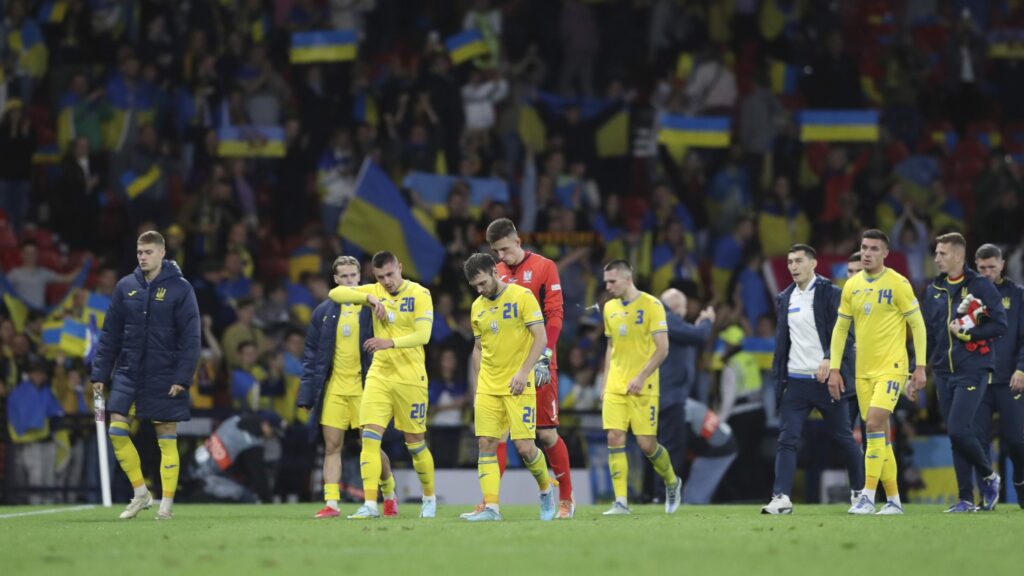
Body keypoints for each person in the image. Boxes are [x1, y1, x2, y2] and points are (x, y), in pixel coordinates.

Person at [90, 231, 201, 520]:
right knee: (116, 431)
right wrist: (100, 373)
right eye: (139, 252)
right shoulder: (125, 286)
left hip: (165, 374)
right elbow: (110, 333)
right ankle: (141, 493)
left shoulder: (181, 288)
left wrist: (182, 377)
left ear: (162, 253)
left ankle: (166, 505)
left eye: (148, 252)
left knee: (166, 439)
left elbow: (191, 338)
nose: (142, 257)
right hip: (128, 372)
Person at [324, 251, 437, 519]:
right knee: (369, 439)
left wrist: (389, 342)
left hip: (411, 377)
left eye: (390, 274)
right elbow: (335, 293)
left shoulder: (420, 294)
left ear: (400, 267)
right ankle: (370, 504)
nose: (386, 281)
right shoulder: (374, 291)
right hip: (379, 376)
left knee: (415, 444)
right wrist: (369, 298)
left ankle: (429, 498)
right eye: (380, 277)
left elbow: (424, 335)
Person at [480, 218, 576, 518]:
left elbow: (555, 315)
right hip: (504, 367)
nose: (502, 257)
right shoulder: (496, 272)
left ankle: (566, 498)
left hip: (538, 362)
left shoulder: (545, 267)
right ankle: (489, 502)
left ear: (518, 242)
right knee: (495, 436)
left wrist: (545, 355)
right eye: (496, 252)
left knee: (545, 434)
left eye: (505, 249)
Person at [830, 229, 928, 515]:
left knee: (872, 425)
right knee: (880, 437)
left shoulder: (898, 283)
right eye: (864, 247)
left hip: (892, 368)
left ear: (885, 253)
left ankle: (867, 496)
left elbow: (918, 325)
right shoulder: (851, 286)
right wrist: (834, 368)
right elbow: (840, 329)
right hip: (863, 372)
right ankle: (894, 500)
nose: (867, 253)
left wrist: (919, 366)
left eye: (874, 248)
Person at [762, 244, 864, 515]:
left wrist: (830, 359)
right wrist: (780, 379)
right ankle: (781, 498)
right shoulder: (785, 297)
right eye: (789, 262)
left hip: (826, 381)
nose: (793, 267)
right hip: (796, 381)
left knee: (844, 438)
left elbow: (845, 333)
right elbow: (783, 342)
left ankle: (860, 492)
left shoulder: (831, 293)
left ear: (813, 264)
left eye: (798, 261)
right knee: (787, 439)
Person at [297, 256, 397, 519]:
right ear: (336, 280)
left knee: (371, 446)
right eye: (344, 276)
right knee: (332, 447)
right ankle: (332, 503)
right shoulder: (323, 312)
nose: (350, 280)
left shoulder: (373, 307)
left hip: (366, 388)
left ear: (360, 277)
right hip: (335, 389)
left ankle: (389, 494)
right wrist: (307, 395)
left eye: (354, 275)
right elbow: (312, 355)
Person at [461, 253, 556, 521]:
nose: (480, 290)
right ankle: (491, 508)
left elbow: (541, 338)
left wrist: (524, 372)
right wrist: (478, 383)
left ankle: (546, 489)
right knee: (486, 443)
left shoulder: (522, 296)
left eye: (482, 283)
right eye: (475, 286)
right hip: (488, 386)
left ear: (494, 271)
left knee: (525, 448)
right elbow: (478, 347)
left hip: (518, 385)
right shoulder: (477, 307)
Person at [924, 233, 1006, 512]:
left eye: (943, 253)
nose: (937, 258)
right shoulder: (933, 290)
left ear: (958, 256)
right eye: (936, 253)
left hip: (973, 367)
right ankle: (966, 499)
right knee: (955, 434)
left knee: (959, 429)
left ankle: (990, 477)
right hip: (943, 372)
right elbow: (929, 335)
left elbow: (1000, 324)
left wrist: (969, 335)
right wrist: (918, 369)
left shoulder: (980, 285)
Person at [600, 260, 681, 515]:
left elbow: (663, 348)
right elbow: (610, 347)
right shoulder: (609, 308)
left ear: (627, 279)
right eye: (606, 282)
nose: (608, 287)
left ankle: (672, 481)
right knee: (614, 437)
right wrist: (605, 382)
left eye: (612, 281)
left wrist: (641, 376)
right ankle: (621, 502)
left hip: (644, 386)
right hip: (616, 385)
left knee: (647, 445)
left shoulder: (652, 305)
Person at [973, 244, 1024, 508]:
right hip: (978, 380)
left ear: (1002, 265)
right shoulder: (968, 296)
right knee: (978, 442)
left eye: (992, 267)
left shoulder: (1017, 295)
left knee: (1016, 441)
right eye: (982, 268)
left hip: (1008, 380)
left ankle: (1020, 480)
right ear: (976, 266)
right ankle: (987, 495)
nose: (987, 272)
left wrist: (1021, 368)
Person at [655, 288, 713, 500]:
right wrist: (706, 321)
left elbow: (690, 336)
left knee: (664, 446)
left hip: (669, 394)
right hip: (669, 396)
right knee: (670, 447)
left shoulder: (667, 322)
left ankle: (659, 494)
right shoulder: (666, 318)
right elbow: (699, 336)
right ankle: (662, 495)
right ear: (678, 306)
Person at [187, 412, 279, 503]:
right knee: (246, 497)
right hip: (204, 478)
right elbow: (259, 478)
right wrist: (268, 501)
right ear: (266, 425)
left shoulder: (234, 420)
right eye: (274, 431)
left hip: (192, 462)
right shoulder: (252, 444)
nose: (272, 435)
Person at [681, 399, 738, 504]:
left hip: (718, 448)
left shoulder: (680, 409)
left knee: (693, 499)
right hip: (719, 442)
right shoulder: (685, 402)